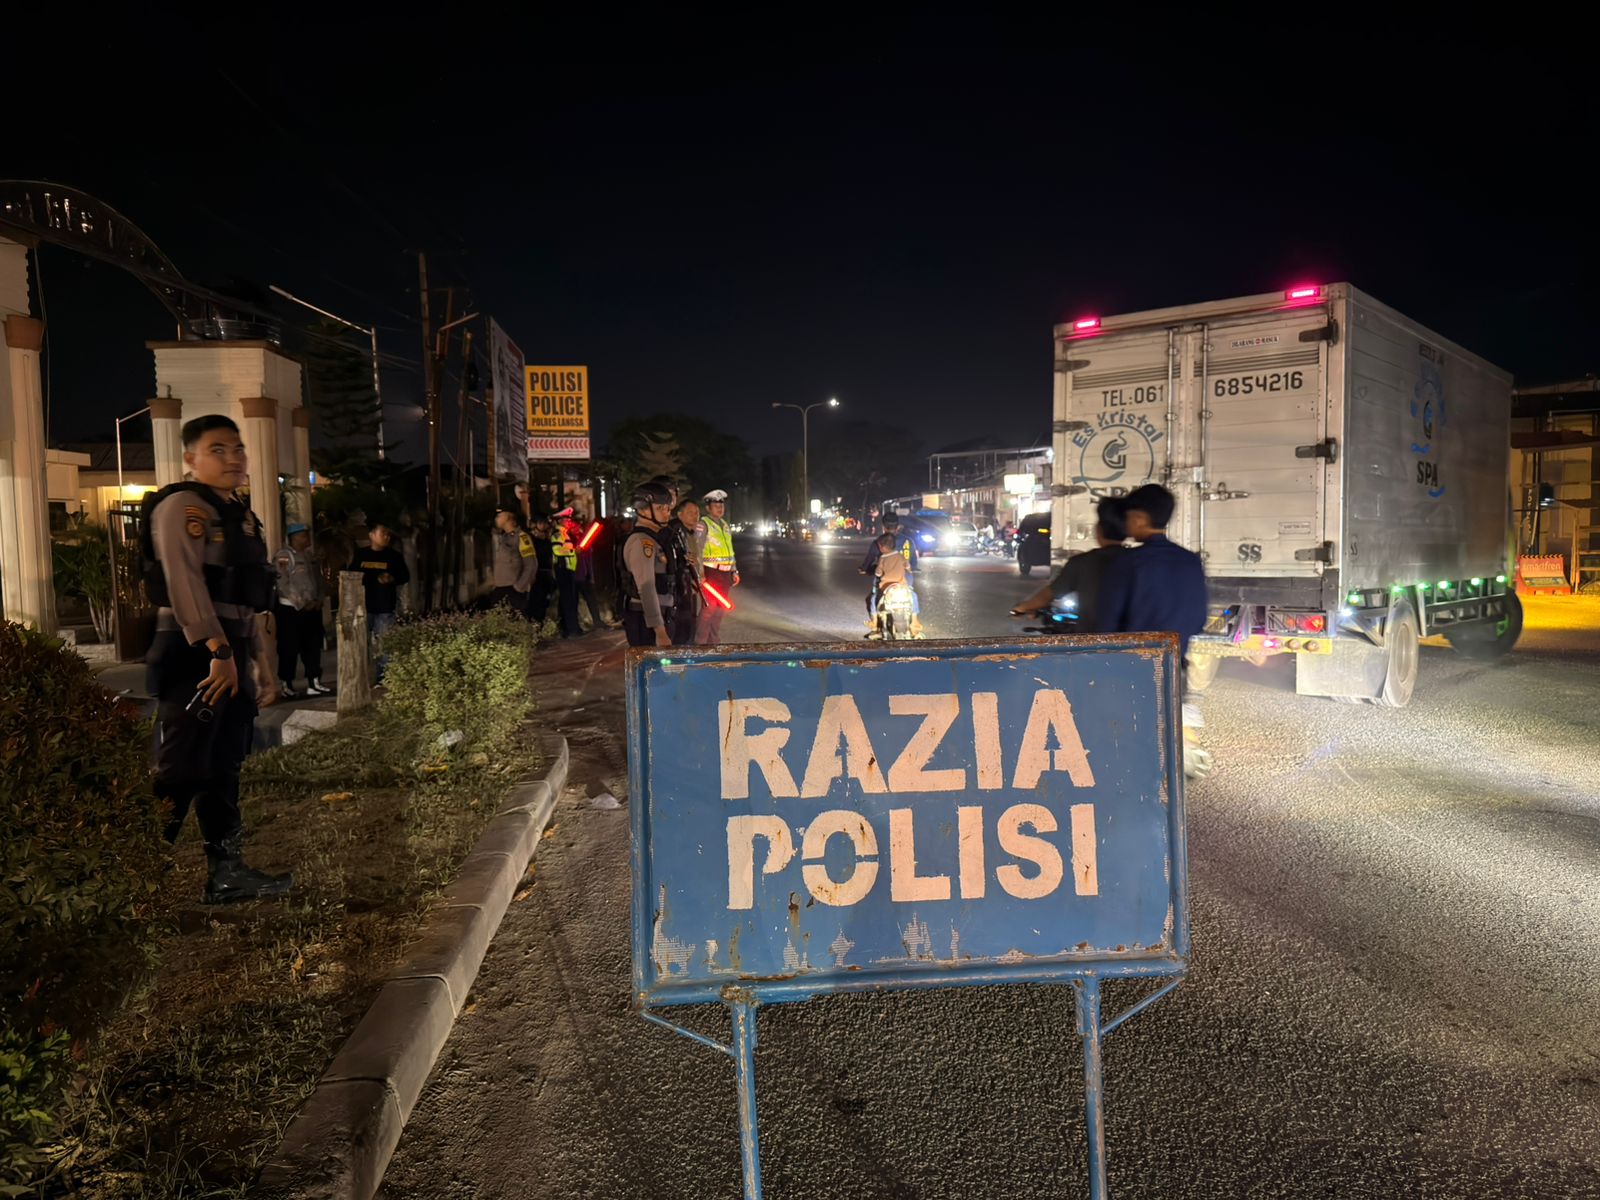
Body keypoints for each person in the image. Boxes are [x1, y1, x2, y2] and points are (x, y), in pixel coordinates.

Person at [141, 414, 292, 903]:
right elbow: (185, 583)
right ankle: (132, 880)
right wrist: (217, 650)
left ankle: (227, 874)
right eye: (218, 450)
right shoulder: (183, 507)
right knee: (182, 768)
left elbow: (248, 599)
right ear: (191, 458)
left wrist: (261, 665)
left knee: (224, 765)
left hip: (231, 648)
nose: (233, 459)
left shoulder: (239, 514)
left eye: (238, 448)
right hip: (194, 653)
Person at [1091, 484, 1211, 778]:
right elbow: (1199, 619)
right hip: (1174, 666)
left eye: (1129, 517)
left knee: (1125, 741)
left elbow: (1107, 623)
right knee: (1165, 736)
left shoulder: (1128, 563)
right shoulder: (1190, 561)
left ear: (1140, 518)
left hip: (1130, 669)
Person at [1013, 497, 1128, 630]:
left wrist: (1022, 608)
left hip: (1091, 639)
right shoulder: (1139, 560)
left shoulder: (1082, 563)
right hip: (1135, 638)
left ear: (1098, 530)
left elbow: (1048, 595)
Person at [273, 522, 328, 697]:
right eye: (303, 535)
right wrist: (302, 602)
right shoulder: (284, 556)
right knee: (289, 648)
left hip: (312, 609)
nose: (307, 539)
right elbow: (282, 583)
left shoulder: (310, 556)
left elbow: (318, 581)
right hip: (291, 611)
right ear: (294, 538)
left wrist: (319, 600)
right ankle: (286, 684)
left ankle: (314, 681)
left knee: (312, 646)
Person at [620, 482, 676, 647]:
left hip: (658, 617)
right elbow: (647, 588)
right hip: (647, 622)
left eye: (668, 508)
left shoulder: (654, 539)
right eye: (660, 508)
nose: (666, 513)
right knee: (652, 663)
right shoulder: (642, 542)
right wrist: (660, 632)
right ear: (642, 510)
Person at [357, 523, 409, 682]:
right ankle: (360, 676)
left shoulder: (394, 556)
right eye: (383, 533)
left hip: (385, 607)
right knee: (360, 643)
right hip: (363, 607)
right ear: (371, 535)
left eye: (388, 534)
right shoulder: (361, 555)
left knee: (385, 644)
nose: (386, 537)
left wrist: (391, 578)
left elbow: (405, 576)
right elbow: (351, 575)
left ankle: (383, 676)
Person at [696, 489, 740, 645]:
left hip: (725, 574)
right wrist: (700, 573)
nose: (720, 508)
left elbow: (730, 550)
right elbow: (697, 549)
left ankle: (713, 642)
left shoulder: (725, 525)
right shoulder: (703, 524)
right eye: (716, 505)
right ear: (708, 508)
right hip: (711, 572)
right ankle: (700, 643)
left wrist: (734, 570)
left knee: (720, 610)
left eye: (721, 505)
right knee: (708, 609)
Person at [490, 508, 536, 617]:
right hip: (500, 589)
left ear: (509, 518)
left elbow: (531, 565)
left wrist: (519, 587)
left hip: (513, 590)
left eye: (500, 516)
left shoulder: (522, 537)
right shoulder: (503, 538)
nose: (497, 518)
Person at [669, 498, 703, 646]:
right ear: (680, 514)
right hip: (680, 587)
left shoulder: (691, 532)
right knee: (682, 625)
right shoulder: (676, 532)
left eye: (697, 513)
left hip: (690, 585)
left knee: (689, 621)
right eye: (690, 513)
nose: (695, 516)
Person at [570, 512, 610, 630]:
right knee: (573, 601)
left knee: (591, 599)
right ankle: (573, 626)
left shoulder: (584, 538)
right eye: (575, 525)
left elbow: (589, 559)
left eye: (578, 525)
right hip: (575, 575)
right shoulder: (569, 539)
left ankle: (597, 622)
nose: (577, 527)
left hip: (585, 574)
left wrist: (591, 575)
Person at [551, 505, 582, 637]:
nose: (569, 521)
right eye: (566, 519)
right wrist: (573, 551)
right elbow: (557, 550)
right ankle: (571, 629)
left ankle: (566, 628)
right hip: (563, 570)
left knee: (567, 600)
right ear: (560, 521)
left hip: (568, 570)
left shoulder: (565, 534)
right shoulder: (558, 534)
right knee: (568, 600)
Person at [527, 515, 557, 625]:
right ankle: (534, 625)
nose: (544, 526)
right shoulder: (532, 540)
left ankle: (539, 625)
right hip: (536, 574)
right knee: (535, 602)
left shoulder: (548, 540)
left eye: (545, 523)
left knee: (544, 602)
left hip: (546, 574)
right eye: (541, 523)